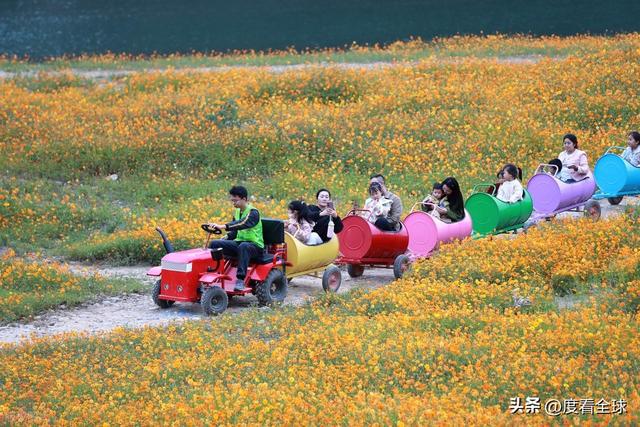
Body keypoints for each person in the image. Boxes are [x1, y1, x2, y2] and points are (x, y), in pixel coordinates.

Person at [207, 186, 264, 291]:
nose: (233, 203)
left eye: (235, 201)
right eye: (232, 201)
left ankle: (240, 280)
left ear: (244, 199)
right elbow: (235, 231)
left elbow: (242, 223)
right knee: (215, 244)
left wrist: (223, 226)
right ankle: (213, 272)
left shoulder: (253, 212)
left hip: (255, 246)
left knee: (244, 246)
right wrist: (227, 237)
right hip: (240, 243)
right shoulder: (237, 212)